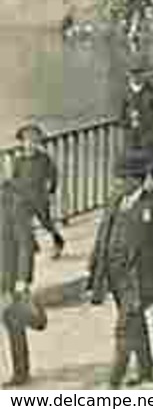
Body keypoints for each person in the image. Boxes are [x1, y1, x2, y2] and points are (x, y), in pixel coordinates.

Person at [87, 153, 153, 389]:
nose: (117, 183)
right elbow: (102, 236)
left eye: (122, 179)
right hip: (114, 274)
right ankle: (146, 368)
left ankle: (114, 380)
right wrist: (95, 268)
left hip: (138, 277)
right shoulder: (115, 201)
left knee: (125, 325)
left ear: (136, 180)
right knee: (135, 322)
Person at [1, 152, 37, 387]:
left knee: (14, 323)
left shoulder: (13, 202)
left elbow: (25, 243)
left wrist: (22, 280)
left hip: (8, 275)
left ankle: (20, 371)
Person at [10, 124, 62, 260]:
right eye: (27, 141)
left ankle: (58, 241)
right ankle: (32, 244)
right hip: (23, 198)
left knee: (46, 223)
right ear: (22, 143)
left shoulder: (44, 159)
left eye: (33, 141)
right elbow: (14, 178)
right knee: (22, 222)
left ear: (38, 143)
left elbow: (53, 174)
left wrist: (51, 191)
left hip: (40, 197)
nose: (30, 145)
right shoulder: (18, 160)